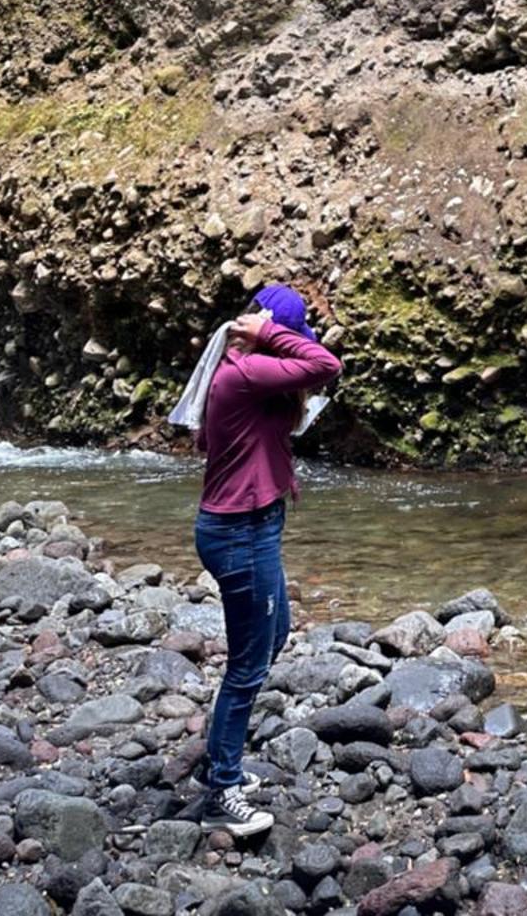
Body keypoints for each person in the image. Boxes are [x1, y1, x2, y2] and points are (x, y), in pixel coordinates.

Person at [181, 282, 342, 837]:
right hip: (239, 532)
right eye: (286, 335)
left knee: (273, 636)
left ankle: (221, 758)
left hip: (253, 525)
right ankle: (222, 787)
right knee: (249, 665)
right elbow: (326, 365)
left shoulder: (246, 371)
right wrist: (271, 333)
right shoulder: (246, 372)